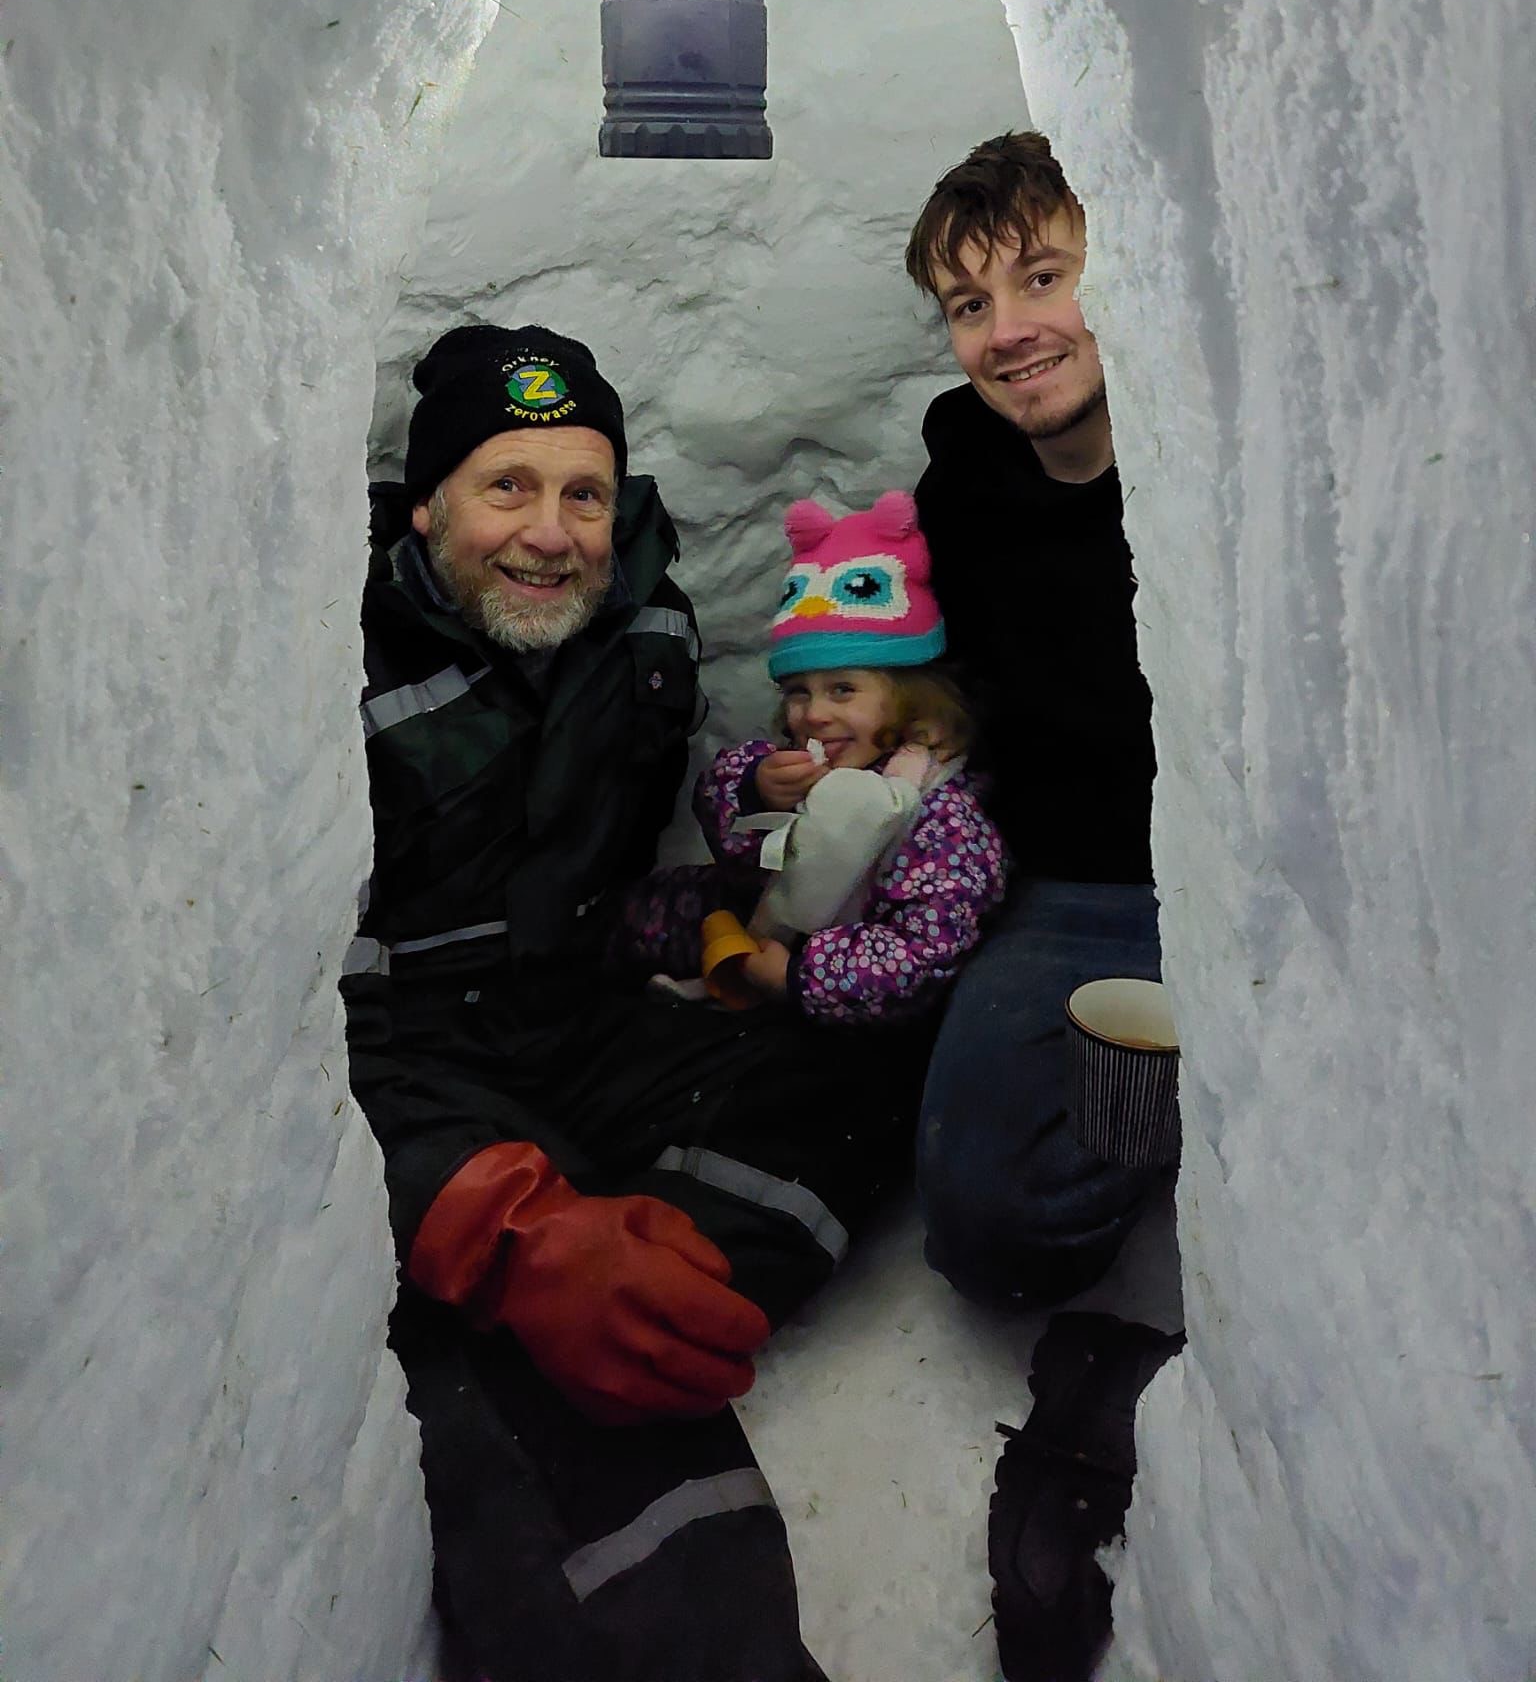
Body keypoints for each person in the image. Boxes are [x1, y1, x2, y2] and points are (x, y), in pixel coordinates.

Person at [342, 321, 927, 1682]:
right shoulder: (337, 661)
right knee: (484, 1291)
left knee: (865, 1055)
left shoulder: (642, 616)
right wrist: (503, 1223)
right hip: (407, 1057)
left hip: (579, 1023)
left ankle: (615, 1291)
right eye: (506, 486)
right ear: (427, 504)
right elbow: (294, 1024)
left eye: (585, 492)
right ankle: (525, 1318)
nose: (551, 533)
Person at [904, 134, 1181, 1682]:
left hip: (1241, 882)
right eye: (968, 303)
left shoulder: (1207, 446)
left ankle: (1193, 1099)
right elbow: (956, 680)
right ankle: (1161, 1107)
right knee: (989, 1221)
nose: (1008, 329)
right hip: (1083, 889)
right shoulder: (970, 480)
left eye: (1043, 277)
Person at [615, 490, 1009, 1022]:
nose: (814, 714)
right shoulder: (809, 762)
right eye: (799, 692)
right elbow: (735, 842)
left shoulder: (941, 819)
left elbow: (923, 953)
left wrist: (799, 973)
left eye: (843, 690)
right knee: (645, 910)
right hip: (750, 918)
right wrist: (756, 788)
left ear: (912, 697)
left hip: (829, 974)